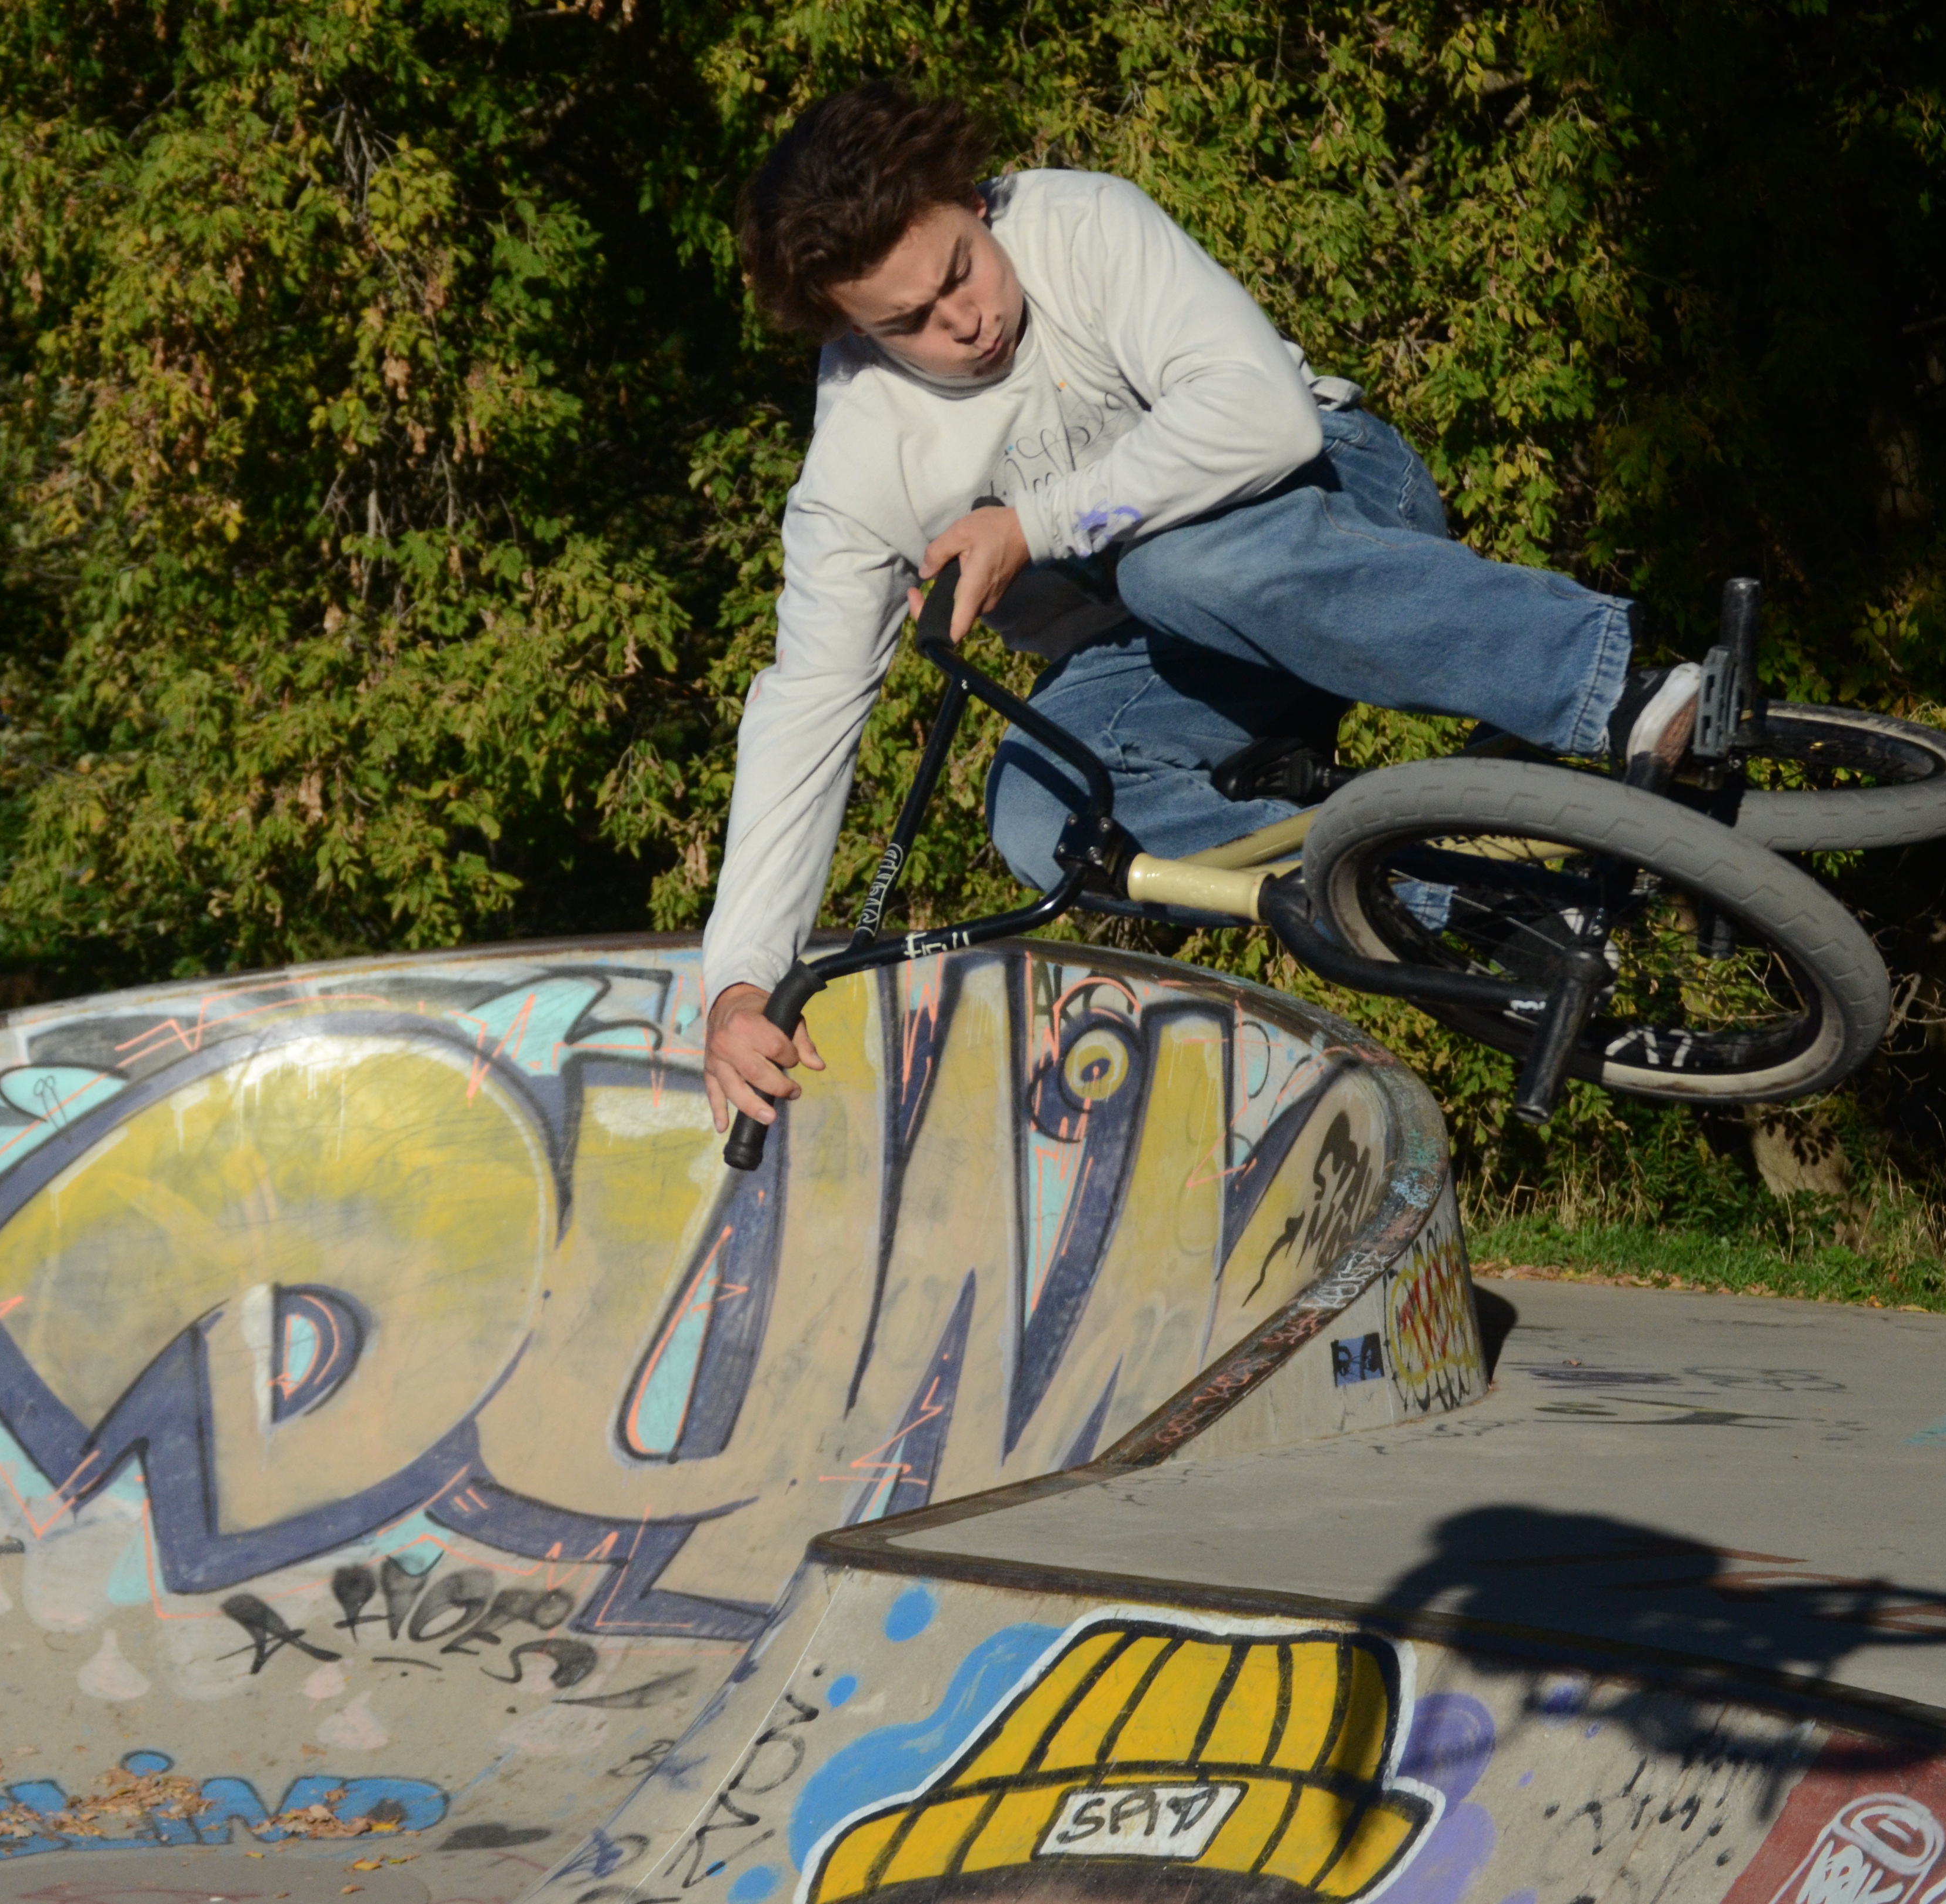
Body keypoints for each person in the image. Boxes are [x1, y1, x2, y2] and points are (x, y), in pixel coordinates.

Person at [700, 82, 1701, 1134]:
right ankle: (1471, 904)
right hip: (1169, 654)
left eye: (959, 272)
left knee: (1171, 569)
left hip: (1334, 501)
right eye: (908, 322)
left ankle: (1612, 691)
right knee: (1040, 811)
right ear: (848, 332)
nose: (967, 321)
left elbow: (1263, 419)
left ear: (974, 205)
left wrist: (1032, 526)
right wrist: (741, 978)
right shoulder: (858, 467)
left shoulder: (1080, 224)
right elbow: (806, 711)